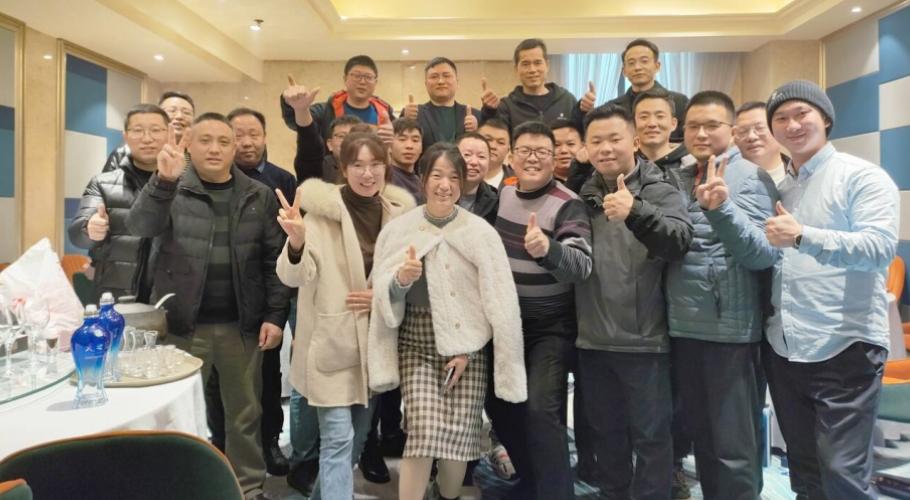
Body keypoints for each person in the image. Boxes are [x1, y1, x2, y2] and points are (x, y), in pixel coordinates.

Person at [126, 113, 289, 500]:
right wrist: (162, 182)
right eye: (205, 140)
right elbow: (140, 227)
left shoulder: (257, 194)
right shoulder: (170, 185)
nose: (214, 149)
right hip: (183, 327)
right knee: (179, 413)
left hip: (242, 327)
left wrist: (274, 316)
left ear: (234, 149)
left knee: (245, 414)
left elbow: (274, 261)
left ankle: (248, 486)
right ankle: (184, 486)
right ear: (189, 146)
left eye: (223, 142)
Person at [368, 143, 527, 500]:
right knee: (422, 434)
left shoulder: (479, 232)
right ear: (422, 179)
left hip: (468, 348)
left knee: (458, 440)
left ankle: (446, 496)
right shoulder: (400, 229)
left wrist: (467, 349)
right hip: (416, 341)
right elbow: (382, 292)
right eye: (436, 175)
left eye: (454, 177)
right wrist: (401, 279)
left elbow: (497, 301)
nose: (445, 185)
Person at [764, 80, 899, 500]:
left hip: (846, 344)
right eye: (781, 118)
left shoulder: (861, 176)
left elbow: (878, 248)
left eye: (801, 113)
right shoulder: (779, 188)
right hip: (785, 347)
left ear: (824, 118)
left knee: (842, 474)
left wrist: (803, 235)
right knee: (804, 471)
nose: (792, 125)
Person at [276, 130, 416, 500]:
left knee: (355, 444)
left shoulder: (400, 214)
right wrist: (296, 242)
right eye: (358, 165)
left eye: (375, 164)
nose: (367, 174)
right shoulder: (320, 215)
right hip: (332, 344)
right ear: (342, 167)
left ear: (386, 167)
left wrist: (383, 294)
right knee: (337, 440)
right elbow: (293, 276)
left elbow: (403, 283)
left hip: (373, 348)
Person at [665, 91, 778, 500]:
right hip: (684, 328)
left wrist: (721, 209)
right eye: (693, 126)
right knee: (704, 440)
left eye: (711, 125)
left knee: (734, 447)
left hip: (730, 332)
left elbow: (762, 254)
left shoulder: (749, 177)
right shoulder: (681, 176)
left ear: (730, 130)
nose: (700, 133)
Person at [576, 104, 693, 500]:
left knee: (651, 438)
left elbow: (680, 241)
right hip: (593, 340)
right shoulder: (583, 197)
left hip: (647, 342)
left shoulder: (660, 190)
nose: (606, 148)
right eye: (596, 141)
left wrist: (636, 211)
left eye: (615, 138)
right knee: (605, 435)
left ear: (635, 141)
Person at [488, 121, 593, 500]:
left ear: (554, 158)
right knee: (499, 403)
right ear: (511, 156)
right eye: (525, 151)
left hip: (551, 327)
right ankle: (531, 479)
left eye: (542, 152)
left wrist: (548, 250)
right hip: (506, 322)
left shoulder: (568, 202)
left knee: (541, 412)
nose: (532, 159)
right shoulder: (505, 192)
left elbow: (581, 266)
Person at [202, 107, 299, 477]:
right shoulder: (207, 180)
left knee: (268, 378)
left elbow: (281, 250)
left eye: (253, 134)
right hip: (216, 306)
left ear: (265, 137)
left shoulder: (280, 180)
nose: (246, 142)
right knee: (217, 386)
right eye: (237, 134)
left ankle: (270, 440)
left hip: (260, 300)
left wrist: (276, 310)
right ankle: (220, 448)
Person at [630, 88, 696, 499]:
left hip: (681, 289)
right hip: (635, 293)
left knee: (677, 390)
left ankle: (673, 465)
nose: (652, 123)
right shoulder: (623, 167)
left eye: (660, 116)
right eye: (643, 116)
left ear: (674, 123)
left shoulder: (691, 167)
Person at [69, 104, 169, 303]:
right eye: (138, 130)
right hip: (117, 296)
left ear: (169, 134)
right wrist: (89, 229)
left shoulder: (185, 185)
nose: (147, 138)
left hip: (169, 295)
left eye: (156, 130)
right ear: (126, 136)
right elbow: (76, 235)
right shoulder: (103, 183)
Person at [576, 39, 688, 143]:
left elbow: (687, 140)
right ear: (624, 71)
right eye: (631, 63)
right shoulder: (613, 107)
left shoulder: (679, 102)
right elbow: (587, 135)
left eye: (644, 61)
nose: (637, 67)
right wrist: (584, 111)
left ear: (657, 66)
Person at [480, 39, 579, 136]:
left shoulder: (567, 101)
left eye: (537, 63)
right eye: (525, 64)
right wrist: (489, 111)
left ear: (547, 65)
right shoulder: (507, 106)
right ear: (516, 69)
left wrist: (583, 112)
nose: (532, 70)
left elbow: (581, 135)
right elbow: (492, 136)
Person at [280, 57, 395, 138]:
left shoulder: (386, 115)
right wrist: (296, 105)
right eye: (356, 76)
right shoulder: (325, 111)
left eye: (368, 77)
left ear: (375, 82)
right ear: (345, 79)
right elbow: (298, 124)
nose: (362, 82)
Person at [401, 57, 481, 153]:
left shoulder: (475, 116)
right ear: (426, 84)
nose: (440, 81)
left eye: (446, 76)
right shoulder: (414, 113)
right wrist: (405, 120)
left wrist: (476, 133)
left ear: (457, 82)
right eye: (434, 77)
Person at [102, 91, 195, 173]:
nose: (179, 116)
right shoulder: (124, 153)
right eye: (172, 110)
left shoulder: (197, 153)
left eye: (186, 113)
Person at [734, 101, 788, 186]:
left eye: (760, 128)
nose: (751, 137)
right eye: (743, 131)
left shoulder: (801, 176)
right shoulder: (726, 182)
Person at [454, 133, 498, 223]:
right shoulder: (435, 194)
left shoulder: (495, 202)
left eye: (481, 156)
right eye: (467, 155)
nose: (474, 162)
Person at [389, 118, 426, 204]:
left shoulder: (420, 182)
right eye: (402, 139)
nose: (409, 146)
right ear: (389, 145)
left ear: (421, 148)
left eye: (415, 140)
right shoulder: (385, 176)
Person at [479, 118, 515, 189]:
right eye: (488, 140)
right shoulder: (460, 177)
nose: (493, 146)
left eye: (500, 143)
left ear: (508, 149)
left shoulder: (517, 184)